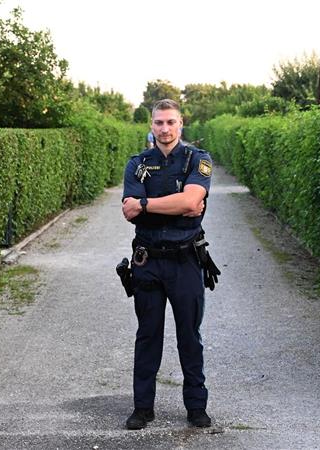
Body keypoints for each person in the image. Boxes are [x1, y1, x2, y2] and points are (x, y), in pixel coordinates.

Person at [121, 99, 219, 430]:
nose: (165, 129)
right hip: (147, 261)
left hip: (186, 260)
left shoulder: (197, 159)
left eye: (171, 122)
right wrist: (175, 206)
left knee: (189, 336)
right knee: (147, 335)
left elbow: (192, 201)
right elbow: (128, 210)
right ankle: (142, 408)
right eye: (159, 123)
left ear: (181, 124)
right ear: (151, 125)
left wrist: (145, 203)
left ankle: (196, 407)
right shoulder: (137, 164)